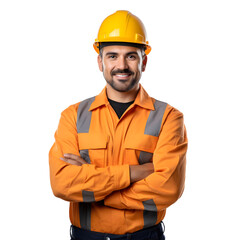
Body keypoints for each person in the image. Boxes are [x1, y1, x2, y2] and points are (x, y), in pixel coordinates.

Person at [49, 10, 188, 240]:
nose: (121, 65)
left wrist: (98, 191)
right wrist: (136, 172)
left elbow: (168, 188)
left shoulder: (168, 118)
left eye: (131, 56)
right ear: (99, 61)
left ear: (144, 61)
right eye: (112, 56)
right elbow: (62, 183)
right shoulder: (73, 116)